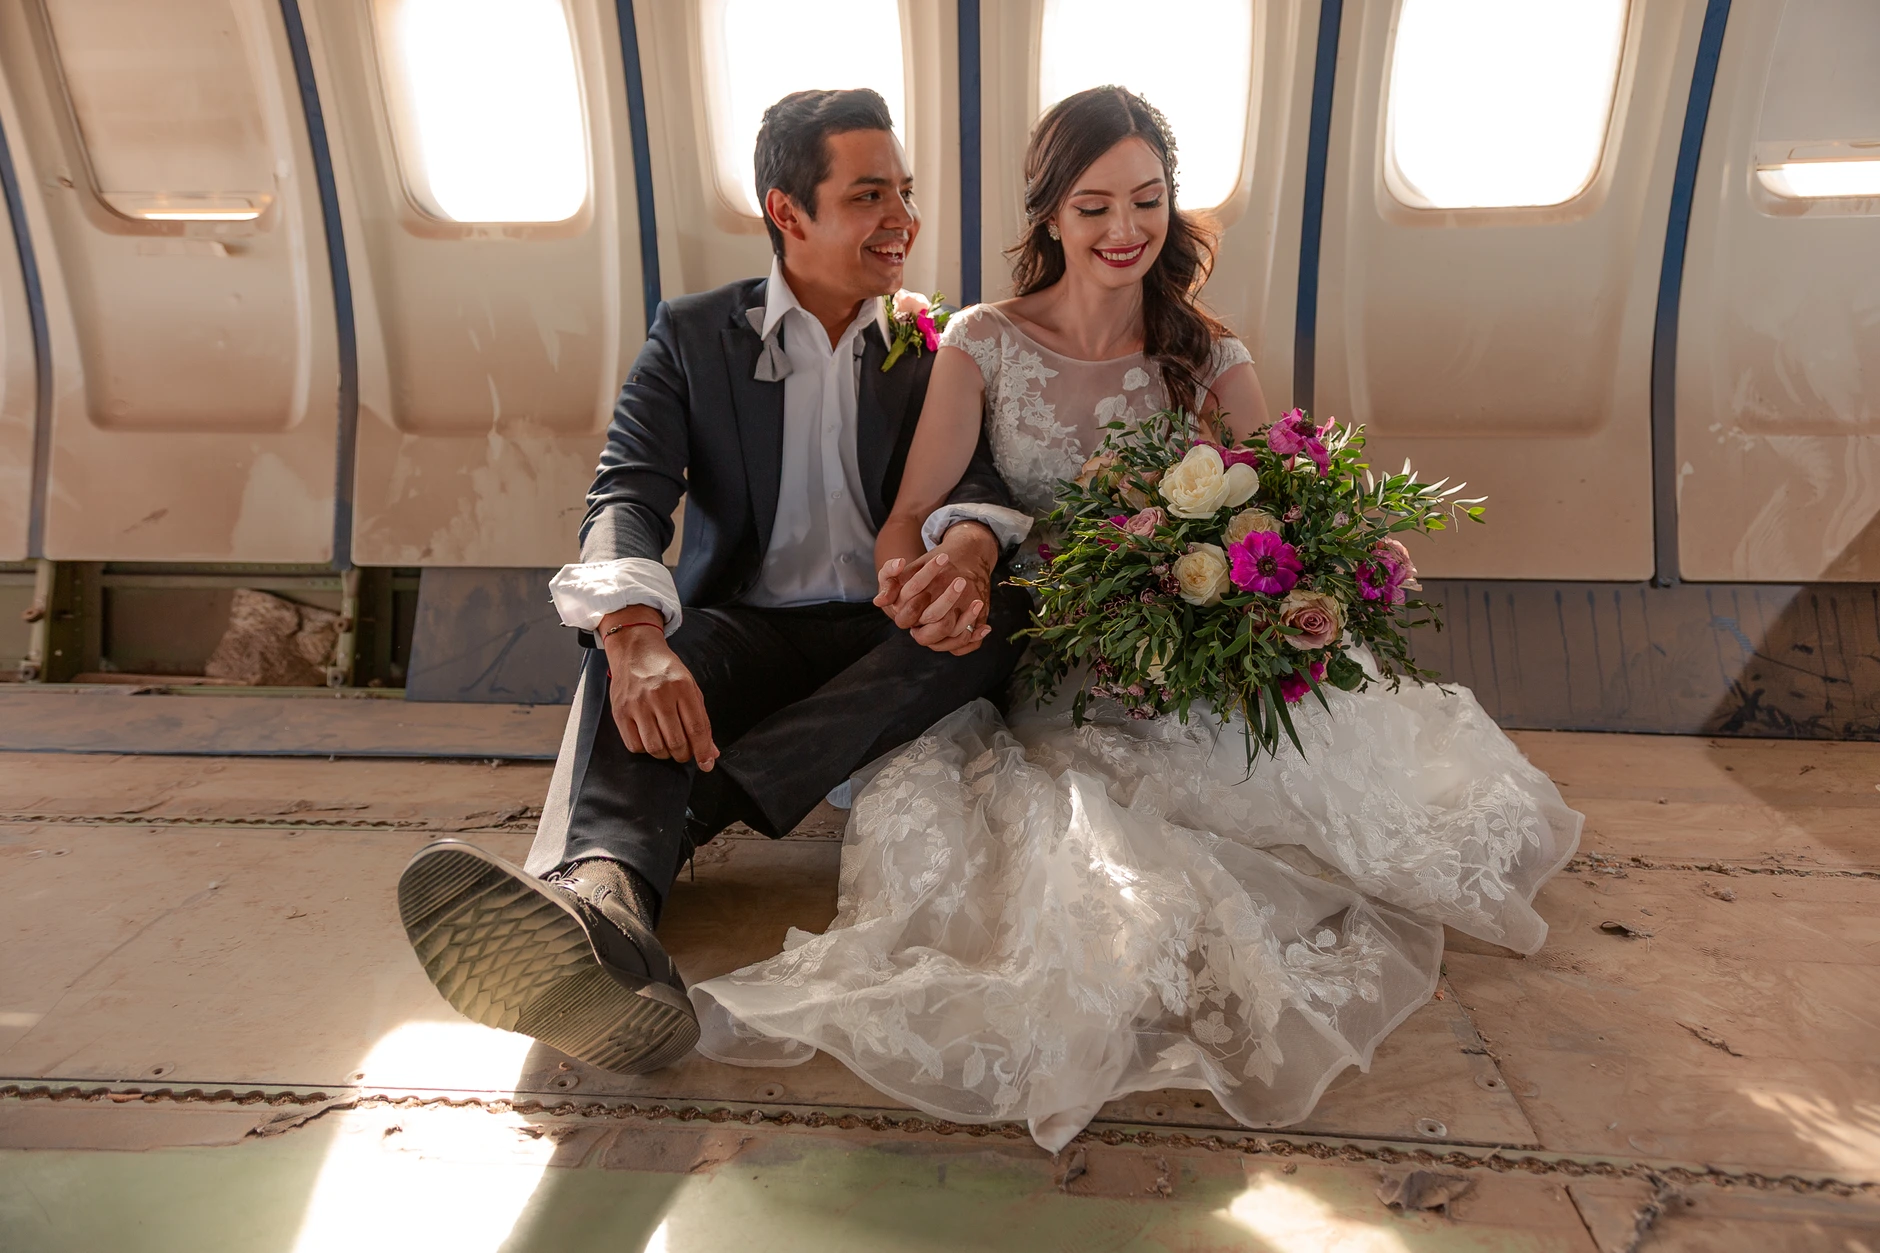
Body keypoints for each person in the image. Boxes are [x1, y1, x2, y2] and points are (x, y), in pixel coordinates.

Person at [688, 87, 1583, 1152]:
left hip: (1179, 656)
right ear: (1051, 217)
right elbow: (911, 517)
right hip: (1043, 655)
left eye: (1147, 202)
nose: (1124, 231)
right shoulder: (980, 341)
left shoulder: (1209, 356)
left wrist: (1336, 558)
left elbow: (1285, 513)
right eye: (1094, 206)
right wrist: (908, 579)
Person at [395, 89, 1033, 1075]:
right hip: (748, 625)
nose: (902, 219)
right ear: (787, 212)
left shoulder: (935, 342)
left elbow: (977, 482)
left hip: (882, 630)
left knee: (993, 626)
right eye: (868, 195)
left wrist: (963, 557)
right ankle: (607, 902)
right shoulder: (694, 337)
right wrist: (634, 635)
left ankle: (686, 812)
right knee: (643, 653)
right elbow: (627, 491)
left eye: (904, 191)